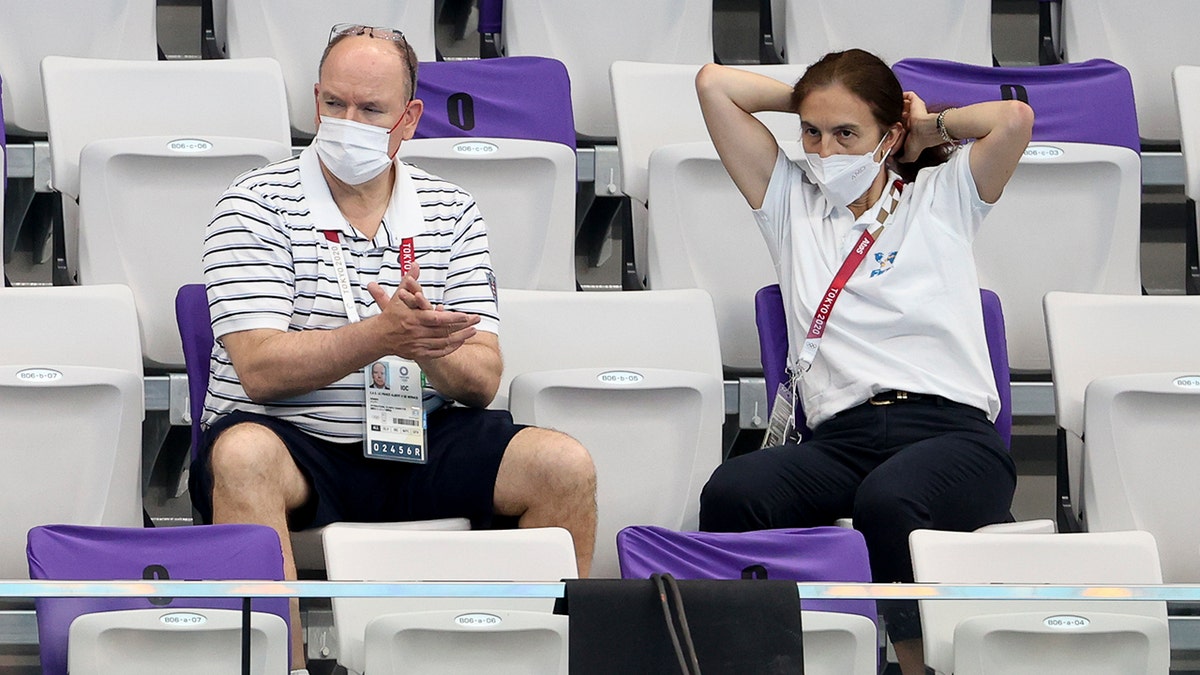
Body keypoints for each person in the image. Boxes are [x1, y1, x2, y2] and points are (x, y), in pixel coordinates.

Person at [191, 24, 597, 672]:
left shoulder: (453, 210)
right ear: (315, 98)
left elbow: (482, 377)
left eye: (370, 109)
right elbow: (259, 368)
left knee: (564, 465)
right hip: (295, 441)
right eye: (334, 104)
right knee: (240, 456)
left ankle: (533, 659)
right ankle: (284, 666)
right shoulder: (252, 204)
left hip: (417, 438)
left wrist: (423, 347)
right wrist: (380, 337)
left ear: (409, 119)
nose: (347, 122)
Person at [694, 49, 1033, 674]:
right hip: (842, 442)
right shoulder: (790, 204)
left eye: (847, 133)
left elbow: (1012, 120)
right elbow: (715, 85)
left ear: (889, 135)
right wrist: (811, 97)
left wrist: (928, 129)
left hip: (953, 438)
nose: (825, 152)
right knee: (733, 492)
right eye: (812, 132)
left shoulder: (943, 195)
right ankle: (764, 660)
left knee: (889, 502)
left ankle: (916, 667)